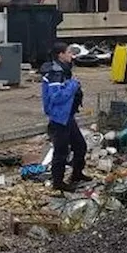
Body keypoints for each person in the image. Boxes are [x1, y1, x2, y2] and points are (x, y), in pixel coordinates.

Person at [40, 41, 88, 192]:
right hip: (59, 118)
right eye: (68, 52)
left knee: (80, 146)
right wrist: (73, 86)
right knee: (61, 152)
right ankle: (58, 182)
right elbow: (56, 97)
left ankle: (77, 174)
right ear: (60, 55)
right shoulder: (55, 73)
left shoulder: (64, 70)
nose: (71, 55)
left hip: (67, 116)